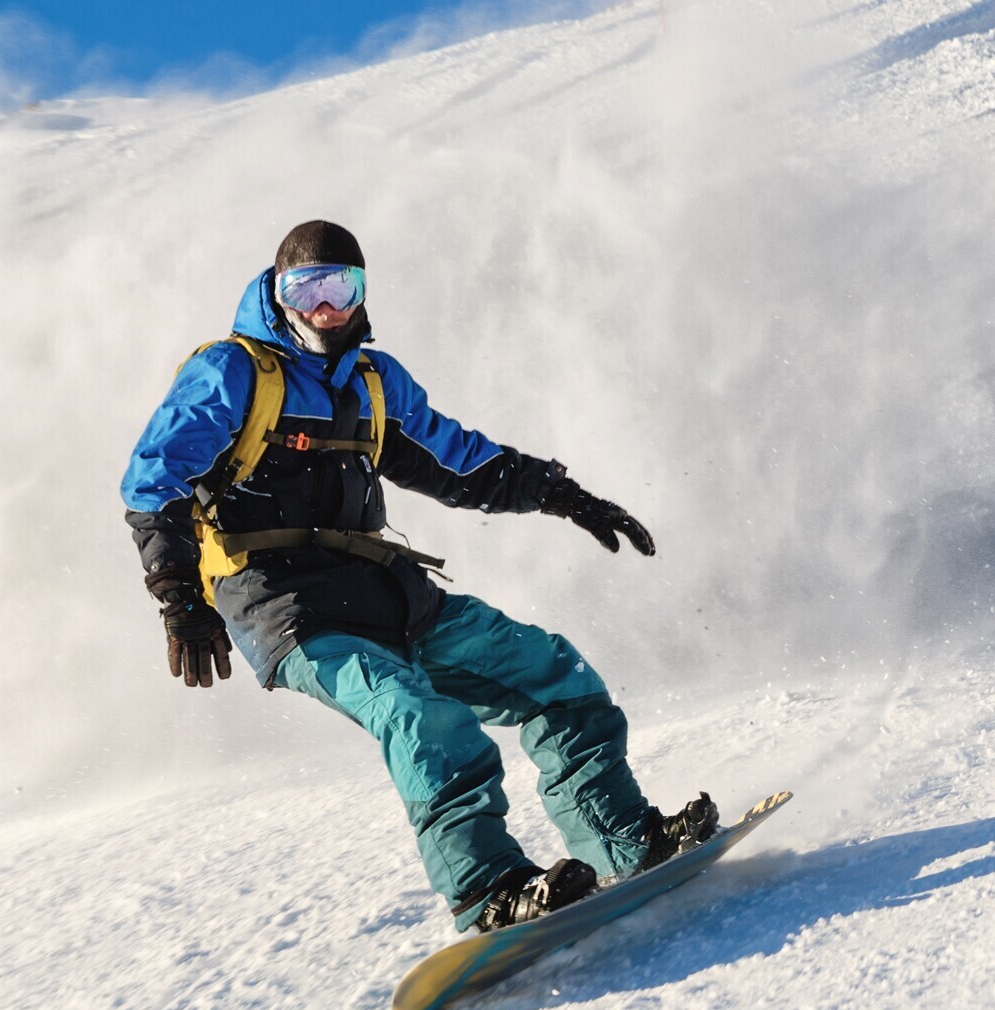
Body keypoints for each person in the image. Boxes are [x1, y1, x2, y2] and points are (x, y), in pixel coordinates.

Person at [121, 220, 717, 933]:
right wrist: (180, 598)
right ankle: (493, 890)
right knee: (419, 715)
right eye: (305, 289)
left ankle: (627, 839)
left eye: (341, 288)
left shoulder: (376, 383)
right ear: (275, 294)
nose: (324, 308)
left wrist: (563, 494)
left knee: (555, 677)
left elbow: (460, 462)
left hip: (383, 591)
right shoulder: (234, 371)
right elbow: (154, 480)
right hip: (284, 607)